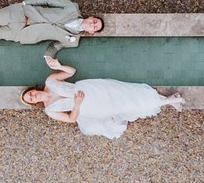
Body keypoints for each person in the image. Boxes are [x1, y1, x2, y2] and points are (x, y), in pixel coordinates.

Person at [21, 51, 183, 139]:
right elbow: (71, 119)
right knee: (124, 105)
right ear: (33, 103)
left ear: (33, 90)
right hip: (89, 107)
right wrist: (77, 104)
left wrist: (59, 66)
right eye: (30, 99)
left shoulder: (50, 81)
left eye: (31, 94)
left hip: (91, 88)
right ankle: (169, 100)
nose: (33, 96)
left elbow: (72, 72)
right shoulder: (50, 111)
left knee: (126, 93)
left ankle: (169, 100)